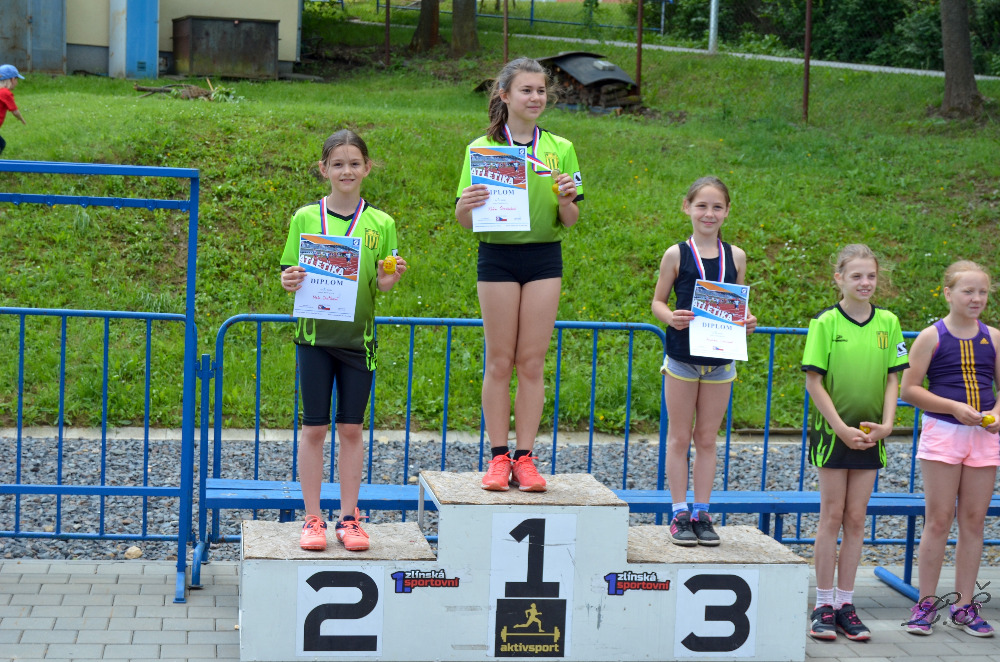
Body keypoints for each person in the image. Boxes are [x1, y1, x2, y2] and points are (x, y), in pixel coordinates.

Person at [455, 57, 583, 493]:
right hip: (497, 257)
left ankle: (525, 458)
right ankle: (498, 458)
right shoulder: (481, 149)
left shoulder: (561, 148)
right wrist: (465, 205)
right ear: (504, 95)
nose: (535, 97)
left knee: (531, 361)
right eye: (526, 90)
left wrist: (566, 200)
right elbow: (465, 221)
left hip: (544, 258)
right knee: (498, 359)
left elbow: (570, 219)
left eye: (541, 90)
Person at [280, 129, 406, 551]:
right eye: (338, 164)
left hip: (358, 341)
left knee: (351, 428)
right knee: (314, 429)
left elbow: (382, 282)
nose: (346, 170)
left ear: (367, 168)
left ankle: (349, 518)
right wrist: (289, 279)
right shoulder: (304, 218)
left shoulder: (381, 223)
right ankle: (312, 519)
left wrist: (390, 278)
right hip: (314, 339)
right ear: (324, 169)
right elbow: (289, 275)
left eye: (354, 163)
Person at [800, 244, 908, 642]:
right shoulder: (825, 322)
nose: (865, 282)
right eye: (857, 276)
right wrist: (842, 429)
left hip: (871, 434)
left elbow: (894, 378)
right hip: (833, 435)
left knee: (857, 519)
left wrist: (887, 425)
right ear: (839, 279)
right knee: (832, 516)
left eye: (871, 276)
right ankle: (823, 604)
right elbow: (814, 382)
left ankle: (846, 604)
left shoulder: (889, 322)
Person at [651, 176, 756, 547]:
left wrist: (748, 322)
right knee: (680, 438)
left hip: (720, 362)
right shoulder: (676, 254)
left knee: (707, 439)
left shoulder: (736, 256)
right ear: (687, 208)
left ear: (727, 212)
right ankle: (679, 512)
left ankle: (702, 513)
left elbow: (739, 307)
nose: (709, 213)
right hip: (682, 358)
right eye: (702, 206)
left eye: (717, 207)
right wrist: (670, 317)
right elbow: (658, 302)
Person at [900, 260, 999, 637]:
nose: (976, 298)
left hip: (984, 437)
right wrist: (954, 407)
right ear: (948, 293)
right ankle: (925, 604)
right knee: (939, 520)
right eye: (968, 291)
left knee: (973, 521)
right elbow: (910, 389)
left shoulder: (994, 337)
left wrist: (996, 414)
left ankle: (964, 606)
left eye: (983, 292)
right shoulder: (931, 336)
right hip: (943, 433)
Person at [0, 64, 27, 157]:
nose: (17, 83)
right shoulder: (5, 93)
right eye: (16, 80)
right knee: (1, 144)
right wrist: (22, 119)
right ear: (12, 79)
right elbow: (15, 111)